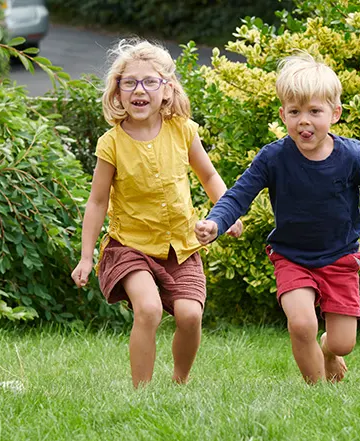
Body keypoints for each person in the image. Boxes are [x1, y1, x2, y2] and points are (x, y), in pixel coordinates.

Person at [194, 52, 360, 384]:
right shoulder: (274, 157)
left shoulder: (351, 156)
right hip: (292, 257)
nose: (304, 121)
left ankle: (328, 351)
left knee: (343, 342)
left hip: (340, 257)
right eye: (295, 112)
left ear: (334, 114)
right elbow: (238, 195)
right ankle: (316, 392)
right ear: (283, 114)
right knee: (301, 324)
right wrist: (216, 222)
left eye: (314, 112)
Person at [71, 39, 243, 388]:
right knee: (147, 309)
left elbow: (209, 176)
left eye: (150, 81)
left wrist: (228, 213)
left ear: (167, 90)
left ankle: (179, 383)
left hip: (180, 246)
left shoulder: (183, 130)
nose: (140, 90)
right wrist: (86, 257)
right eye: (129, 82)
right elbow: (97, 202)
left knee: (190, 315)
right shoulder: (112, 143)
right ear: (117, 92)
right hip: (129, 246)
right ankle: (142, 391)